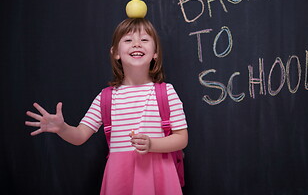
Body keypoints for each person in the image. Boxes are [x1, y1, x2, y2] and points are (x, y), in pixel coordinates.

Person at [25, 18, 188, 195]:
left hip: (158, 176)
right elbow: (79, 136)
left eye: (144, 39)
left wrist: (152, 144)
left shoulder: (167, 92)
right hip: (119, 178)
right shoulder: (106, 98)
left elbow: (181, 138)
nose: (136, 44)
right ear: (115, 52)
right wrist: (62, 128)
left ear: (155, 52)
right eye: (128, 40)